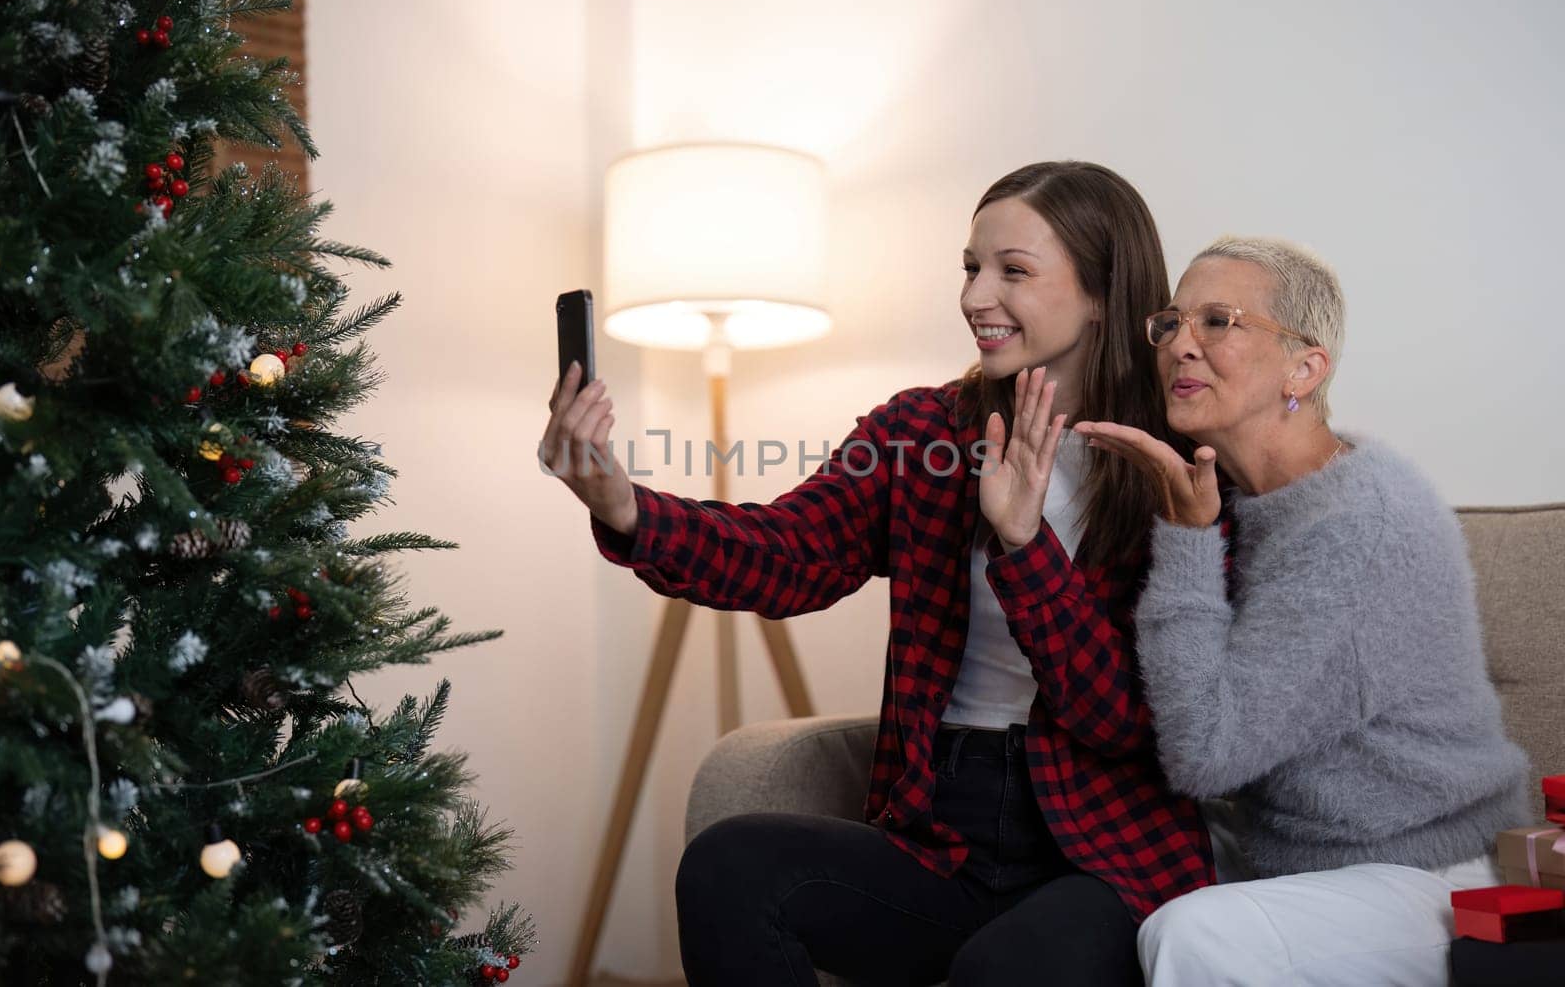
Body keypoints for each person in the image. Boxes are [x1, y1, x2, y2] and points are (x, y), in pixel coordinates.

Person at [541, 161, 1215, 986]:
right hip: (946, 839)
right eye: (971, 267)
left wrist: (1024, 544)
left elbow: (1121, 719)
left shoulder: (1177, 473)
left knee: (1001, 971)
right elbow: (785, 553)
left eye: (1013, 271)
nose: (975, 296)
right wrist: (625, 506)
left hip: (1104, 859)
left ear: (1101, 294)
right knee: (730, 865)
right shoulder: (922, 432)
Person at [1076, 235, 1531, 986]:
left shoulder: (1357, 526)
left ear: (1305, 366)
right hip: (1299, 848)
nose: (1180, 346)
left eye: (1218, 321)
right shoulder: (1257, 493)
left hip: (1430, 867)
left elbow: (1207, 751)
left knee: (1194, 935)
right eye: (1171, 322)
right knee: (1086, 881)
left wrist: (1186, 542)